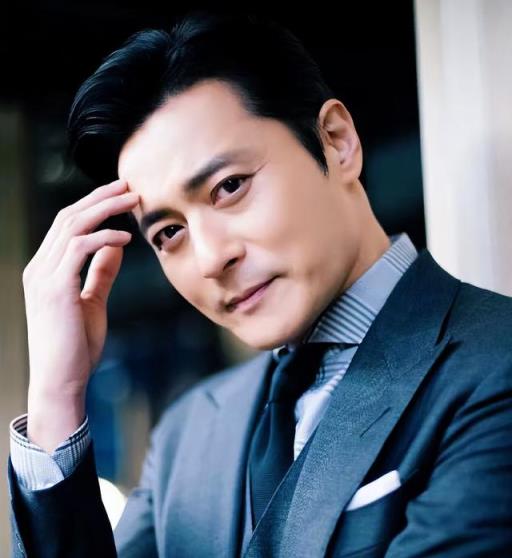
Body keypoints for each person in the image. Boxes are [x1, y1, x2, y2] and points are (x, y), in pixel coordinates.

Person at [7, 10, 512, 558]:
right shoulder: (187, 434)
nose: (210, 258)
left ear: (336, 141)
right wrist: (57, 397)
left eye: (229, 187)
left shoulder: (494, 365)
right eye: (169, 232)